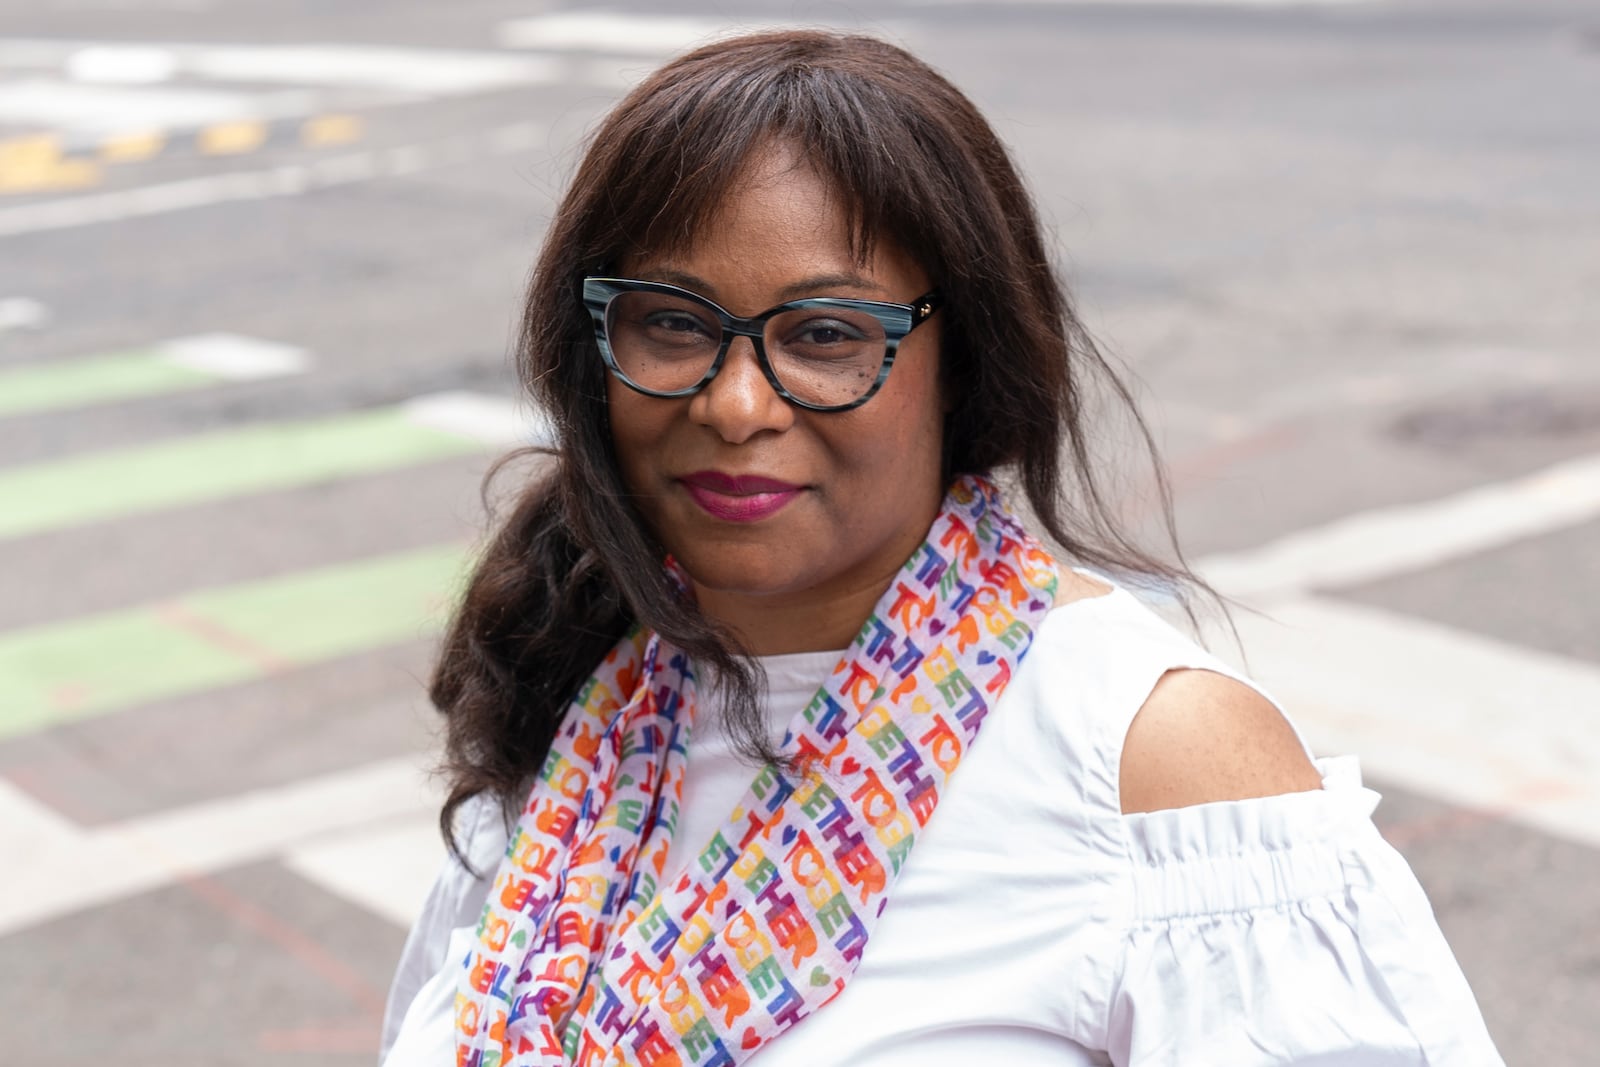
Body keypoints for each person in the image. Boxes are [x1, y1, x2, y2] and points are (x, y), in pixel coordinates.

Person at [380, 29, 1502, 1067]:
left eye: (825, 336)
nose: (732, 403)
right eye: (670, 322)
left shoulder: (1154, 761)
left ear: (962, 360)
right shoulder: (584, 718)